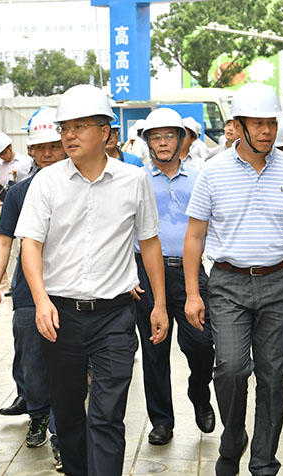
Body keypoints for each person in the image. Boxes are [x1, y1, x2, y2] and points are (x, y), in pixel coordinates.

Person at [15, 84, 169, 476]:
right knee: (67, 416)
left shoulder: (133, 181)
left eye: (80, 127)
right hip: (61, 316)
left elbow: (149, 244)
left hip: (115, 317)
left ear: (106, 132)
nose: (69, 135)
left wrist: (160, 306)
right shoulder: (46, 183)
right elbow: (29, 246)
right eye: (65, 127)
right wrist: (41, 300)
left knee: (106, 416)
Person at [183, 83, 283, 476]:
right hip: (227, 284)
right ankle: (233, 437)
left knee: (275, 374)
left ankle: (264, 461)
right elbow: (194, 236)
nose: (266, 131)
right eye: (257, 124)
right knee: (229, 369)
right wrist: (193, 293)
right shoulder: (212, 172)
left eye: (271, 123)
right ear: (238, 126)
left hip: (279, 282)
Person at [0, 107, 65, 471]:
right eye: (41, 147)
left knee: (68, 365)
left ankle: (63, 433)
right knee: (31, 360)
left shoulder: (79, 185)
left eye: (54, 145)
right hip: (27, 293)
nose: (48, 153)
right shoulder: (19, 192)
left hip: (71, 289)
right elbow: (3, 241)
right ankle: (37, 414)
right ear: (30, 150)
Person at [134, 108, 215, 446]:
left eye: (169, 136)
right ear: (148, 142)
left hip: (191, 271)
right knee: (154, 350)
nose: (163, 143)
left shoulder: (200, 177)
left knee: (201, 343)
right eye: (156, 137)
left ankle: (199, 393)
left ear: (181, 139)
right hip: (146, 273)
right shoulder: (135, 179)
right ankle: (162, 421)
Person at [0, 131, 32, 201]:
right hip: (4, 205)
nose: (2, 156)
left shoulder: (26, 162)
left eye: (4, 153)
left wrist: (20, 174)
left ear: (10, 146)